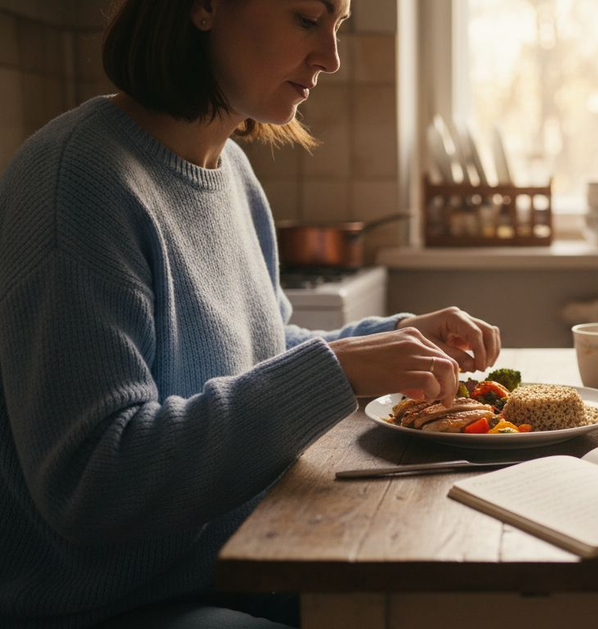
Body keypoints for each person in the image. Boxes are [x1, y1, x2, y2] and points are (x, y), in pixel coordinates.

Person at [0, 1, 499, 627]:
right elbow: (94, 482)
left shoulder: (231, 169)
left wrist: (393, 339)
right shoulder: (78, 181)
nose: (331, 57)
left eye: (337, 26)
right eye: (305, 18)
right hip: (114, 602)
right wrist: (335, 371)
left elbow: (260, 349)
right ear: (205, 6)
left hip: (239, 558)